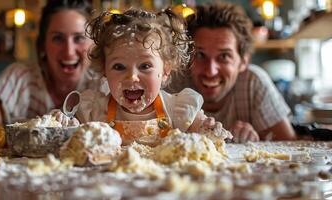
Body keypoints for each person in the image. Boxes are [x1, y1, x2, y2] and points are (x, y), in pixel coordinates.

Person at [76, 8, 232, 146]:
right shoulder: (93, 111)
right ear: (105, 70)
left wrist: (208, 130)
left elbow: (202, 135)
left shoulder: (178, 111)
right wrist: (61, 123)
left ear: (165, 70)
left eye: (145, 66)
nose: (132, 77)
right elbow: (71, 133)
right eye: (119, 67)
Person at [0, 0, 100, 144]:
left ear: (93, 44)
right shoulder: (19, 78)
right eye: (57, 38)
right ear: (43, 45)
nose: (69, 52)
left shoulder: (102, 83)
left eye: (79, 38)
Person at [165, 2, 296, 143]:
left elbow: (289, 144)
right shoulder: (171, 82)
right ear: (186, 57)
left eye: (224, 56)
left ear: (243, 62)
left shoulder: (253, 82)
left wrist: (258, 141)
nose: (210, 71)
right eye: (200, 55)